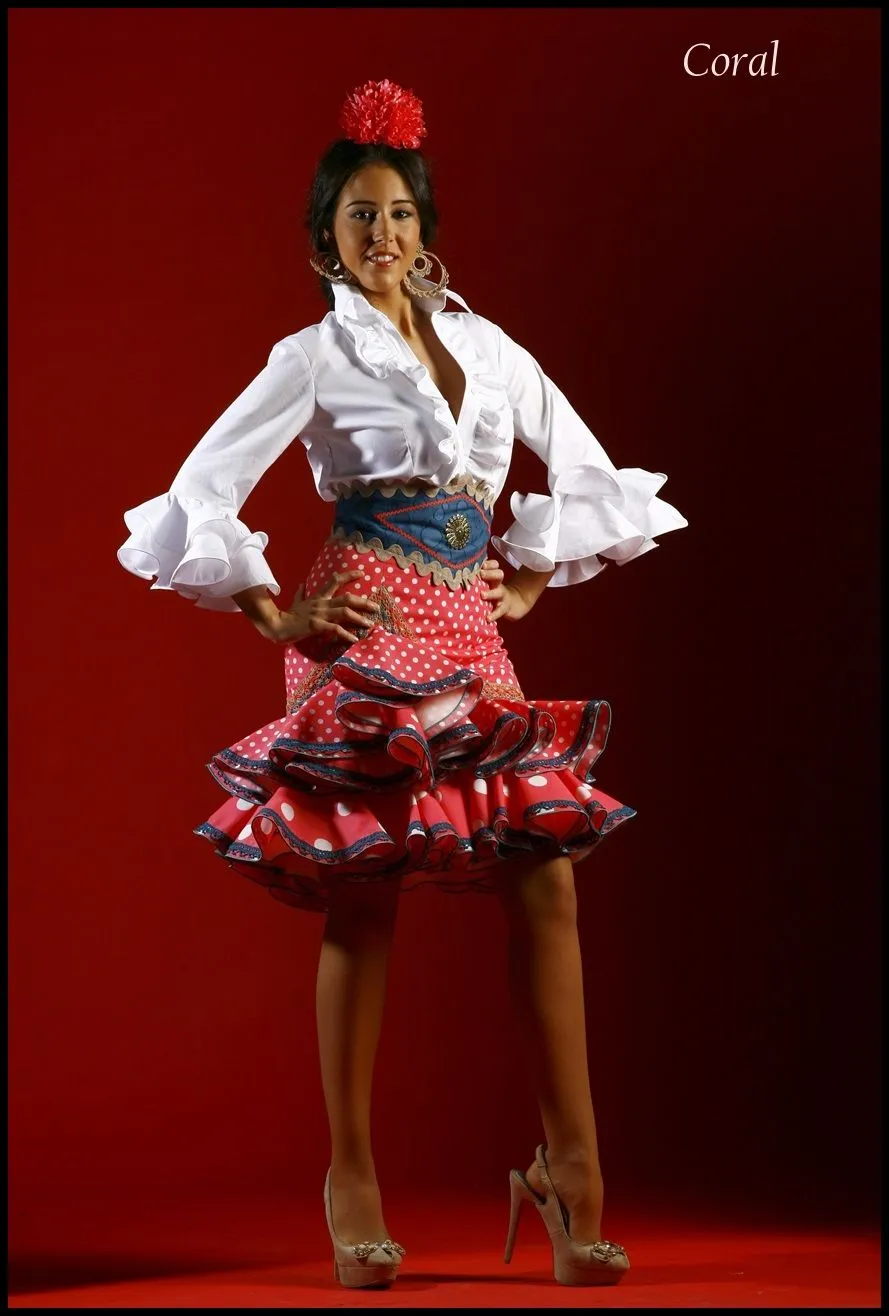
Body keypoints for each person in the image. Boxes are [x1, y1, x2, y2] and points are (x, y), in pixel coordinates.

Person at [118, 78, 687, 1290]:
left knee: (543, 877)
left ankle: (569, 1176)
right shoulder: (314, 351)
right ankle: (353, 1178)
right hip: (367, 620)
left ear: (426, 227)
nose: (381, 236)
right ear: (324, 235)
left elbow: (580, 464)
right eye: (357, 218)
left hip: (469, 631)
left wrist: (530, 575)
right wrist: (279, 606)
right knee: (364, 890)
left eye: (397, 215)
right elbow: (198, 486)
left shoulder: (487, 347)